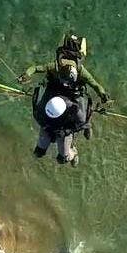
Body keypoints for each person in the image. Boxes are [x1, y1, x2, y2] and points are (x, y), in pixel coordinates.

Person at [18, 34, 110, 165]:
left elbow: (94, 85)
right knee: (39, 151)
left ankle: (73, 152)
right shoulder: (56, 67)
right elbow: (36, 68)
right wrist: (26, 75)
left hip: (64, 122)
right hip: (51, 115)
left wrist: (103, 95)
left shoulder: (77, 72)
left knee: (63, 158)